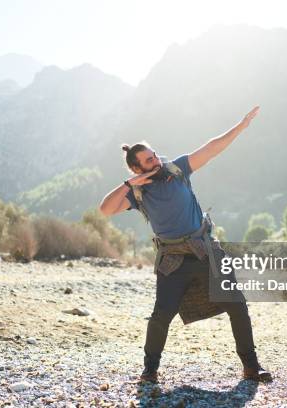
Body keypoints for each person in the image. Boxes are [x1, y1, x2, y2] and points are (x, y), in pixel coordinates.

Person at [98, 106, 272, 384]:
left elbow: (211, 149)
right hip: (172, 261)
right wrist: (129, 184)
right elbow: (105, 209)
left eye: (154, 155)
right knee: (161, 316)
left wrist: (240, 127)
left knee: (237, 304)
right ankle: (150, 371)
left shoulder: (178, 170)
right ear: (136, 167)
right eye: (147, 160)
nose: (155, 160)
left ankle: (251, 367)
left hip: (206, 251)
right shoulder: (138, 192)